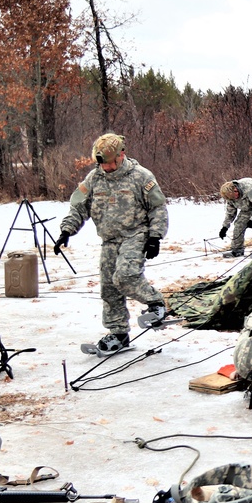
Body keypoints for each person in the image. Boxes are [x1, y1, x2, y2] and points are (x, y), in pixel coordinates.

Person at [54, 134, 168, 354]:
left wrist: (155, 237)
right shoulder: (93, 178)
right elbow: (78, 207)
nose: (105, 167)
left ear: (121, 155)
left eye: (109, 162)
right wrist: (66, 230)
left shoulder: (141, 176)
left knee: (124, 276)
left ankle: (156, 304)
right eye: (101, 163)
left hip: (135, 234)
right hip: (109, 239)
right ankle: (118, 333)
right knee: (109, 287)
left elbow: (158, 207)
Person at [219, 178, 252, 258]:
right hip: (248, 204)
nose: (235, 199)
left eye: (235, 196)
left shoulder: (250, 189)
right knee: (239, 224)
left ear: (235, 190)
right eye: (232, 198)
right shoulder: (230, 197)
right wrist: (225, 227)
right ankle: (237, 250)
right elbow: (230, 213)